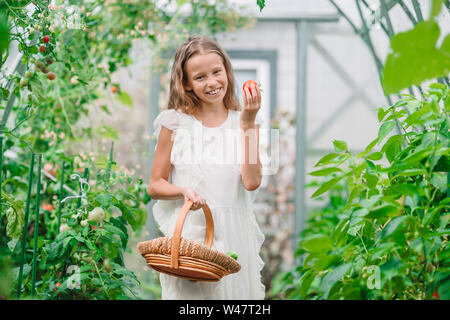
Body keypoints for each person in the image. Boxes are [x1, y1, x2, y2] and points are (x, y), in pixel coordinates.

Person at [148, 35, 265, 299]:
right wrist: (183, 190)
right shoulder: (174, 123)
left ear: (227, 72)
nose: (212, 82)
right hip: (193, 239)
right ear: (186, 83)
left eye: (217, 72)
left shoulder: (244, 123)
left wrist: (248, 124)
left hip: (236, 235)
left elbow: (251, 181)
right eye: (200, 77)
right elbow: (155, 184)